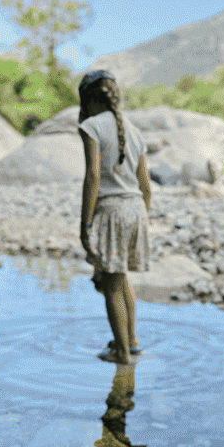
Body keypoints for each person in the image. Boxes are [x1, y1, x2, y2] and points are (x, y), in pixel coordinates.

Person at [77, 70, 153, 364]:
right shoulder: (134, 130)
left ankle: (120, 353)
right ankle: (131, 341)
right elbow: (145, 185)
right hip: (136, 210)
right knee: (121, 279)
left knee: (110, 286)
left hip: (112, 211)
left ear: (88, 99)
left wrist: (85, 224)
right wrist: (142, 218)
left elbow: (93, 175)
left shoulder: (92, 126)